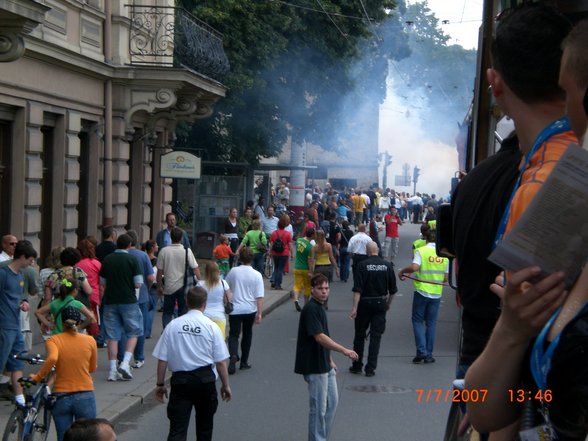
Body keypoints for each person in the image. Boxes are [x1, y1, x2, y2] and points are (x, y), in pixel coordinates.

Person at [466, 12, 588, 439]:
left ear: (494, 83)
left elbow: (507, 408)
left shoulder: (550, 187)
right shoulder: (546, 166)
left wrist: (509, 335)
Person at [153, 287, 231, 441]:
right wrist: (225, 385)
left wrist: (160, 384)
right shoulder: (212, 327)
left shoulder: (173, 325)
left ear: (187, 302)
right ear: (205, 303)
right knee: (204, 428)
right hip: (205, 380)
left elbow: (162, 358)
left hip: (181, 381)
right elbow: (220, 362)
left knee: (177, 429)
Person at [294, 273, 358, 441]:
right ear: (312, 290)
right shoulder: (311, 309)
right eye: (320, 288)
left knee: (332, 404)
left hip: (324, 364)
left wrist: (329, 359)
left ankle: (321, 437)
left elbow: (323, 337)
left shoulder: (319, 307)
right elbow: (319, 337)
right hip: (314, 366)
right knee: (318, 409)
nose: (324, 292)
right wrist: (344, 350)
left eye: (326, 288)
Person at [26, 307, 98, 441]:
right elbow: (92, 368)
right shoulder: (90, 340)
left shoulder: (53, 340)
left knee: (63, 437)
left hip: (62, 396)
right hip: (85, 394)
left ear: (62, 323)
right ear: (78, 322)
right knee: (89, 436)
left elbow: (52, 358)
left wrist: (37, 377)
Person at [398, 227, 448, 363]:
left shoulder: (421, 251)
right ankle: (429, 354)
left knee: (417, 321)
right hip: (436, 293)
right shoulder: (444, 254)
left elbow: (414, 267)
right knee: (431, 323)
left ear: (426, 238)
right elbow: (445, 279)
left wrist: (402, 271)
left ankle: (421, 351)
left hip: (421, 291)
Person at [99, 233, 144, 381]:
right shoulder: (132, 259)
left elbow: (102, 283)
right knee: (134, 331)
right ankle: (125, 362)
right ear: (129, 245)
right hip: (128, 301)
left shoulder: (107, 260)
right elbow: (138, 283)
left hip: (110, 301)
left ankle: (112, 370)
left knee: (112, 336)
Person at [349, 242, 397, 377]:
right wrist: (388, 303)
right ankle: (370, 368)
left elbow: (357, 289)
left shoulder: (362, 265)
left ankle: (357, 365)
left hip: (364, 303)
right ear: (378, 250)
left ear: (367, 251)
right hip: (380, 303)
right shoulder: (387, 265)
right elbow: (393, 290)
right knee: (376, 337)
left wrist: (354, 307)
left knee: (359, 335)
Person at [0, 240, 37, 407]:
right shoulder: (3, 274)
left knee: (18, 362)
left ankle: (20, 398)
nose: (32, 263)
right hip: (4, 325)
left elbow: (19, 297)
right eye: (30, 259)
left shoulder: (21, 275)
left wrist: (23, 303)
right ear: (22, 257)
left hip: (15, 326)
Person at [117, 230, 155, 369]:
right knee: (139, 328)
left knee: (122, 328)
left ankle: (122, 358)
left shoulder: (117, 256)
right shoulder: (143, 255)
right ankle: (138, 358)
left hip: (122, 296)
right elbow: (151, 277)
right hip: (141, 296)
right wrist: (148, 288)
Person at [224, 247, 264, 375]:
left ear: (240, 258)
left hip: (235, 308)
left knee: (234, 335)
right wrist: (259, 313)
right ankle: (244, 362)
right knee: (247, 334)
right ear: (252, 259)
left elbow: (226, 287)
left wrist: (227, 301)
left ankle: (233, 356)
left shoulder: (233, 272)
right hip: (249, 309)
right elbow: (259, 296)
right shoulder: (257, 275)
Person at [157, 227, 201, 328]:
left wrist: (159, 286)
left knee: (167, 312)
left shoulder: (164, 251)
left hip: (169, 288)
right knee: (183, 312)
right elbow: (195, 268)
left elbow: (159, 272)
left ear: (171, 237)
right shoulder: (187, 251)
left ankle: (167, 330)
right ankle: (180, 330)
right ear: (181, 238)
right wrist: (201, 282)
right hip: (184, 287)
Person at [198, 262, 232, 338]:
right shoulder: (223, 283)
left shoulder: (200, 284)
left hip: (203, 317)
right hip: (219, 317)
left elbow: (197, 301)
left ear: (206, 271)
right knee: (219, 344)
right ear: (217, 271)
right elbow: (229, 300)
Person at [76, 239, 102, 338]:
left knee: (81, 319)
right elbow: (101, 281)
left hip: (79, 297)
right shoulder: (96, 263)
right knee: (93, 321)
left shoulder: (77, 264)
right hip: (94, 296)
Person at [292, 228, 315, 312]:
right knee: (307, 287)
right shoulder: (310, 247)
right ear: (312, 235)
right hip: (305, 269)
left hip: (297, 267)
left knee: (297, 285)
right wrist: (311, 271)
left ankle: (296, 300)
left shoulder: (299, 240)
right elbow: (310, 260)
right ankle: (306, 304)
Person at [269, 214, 293, 290]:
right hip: (284, 253)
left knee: (276, 267)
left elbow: (271, 244)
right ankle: (278, 285)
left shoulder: (273, 233)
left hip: (275, 253)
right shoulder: (288, 234)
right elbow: (290, 245)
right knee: (280, 269)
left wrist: (270, 252)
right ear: (285, 226)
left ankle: (274, 281)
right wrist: (291, 254)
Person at [143, 239, 159, 339]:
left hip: (143, 285)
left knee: (144, 308)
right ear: (152, 248)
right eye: (156, 245)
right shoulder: (156, 260)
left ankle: (143, 329)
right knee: (151, 309)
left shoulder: (144, 258)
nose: (158, 247)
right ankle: (147, 331)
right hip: (153, 286)